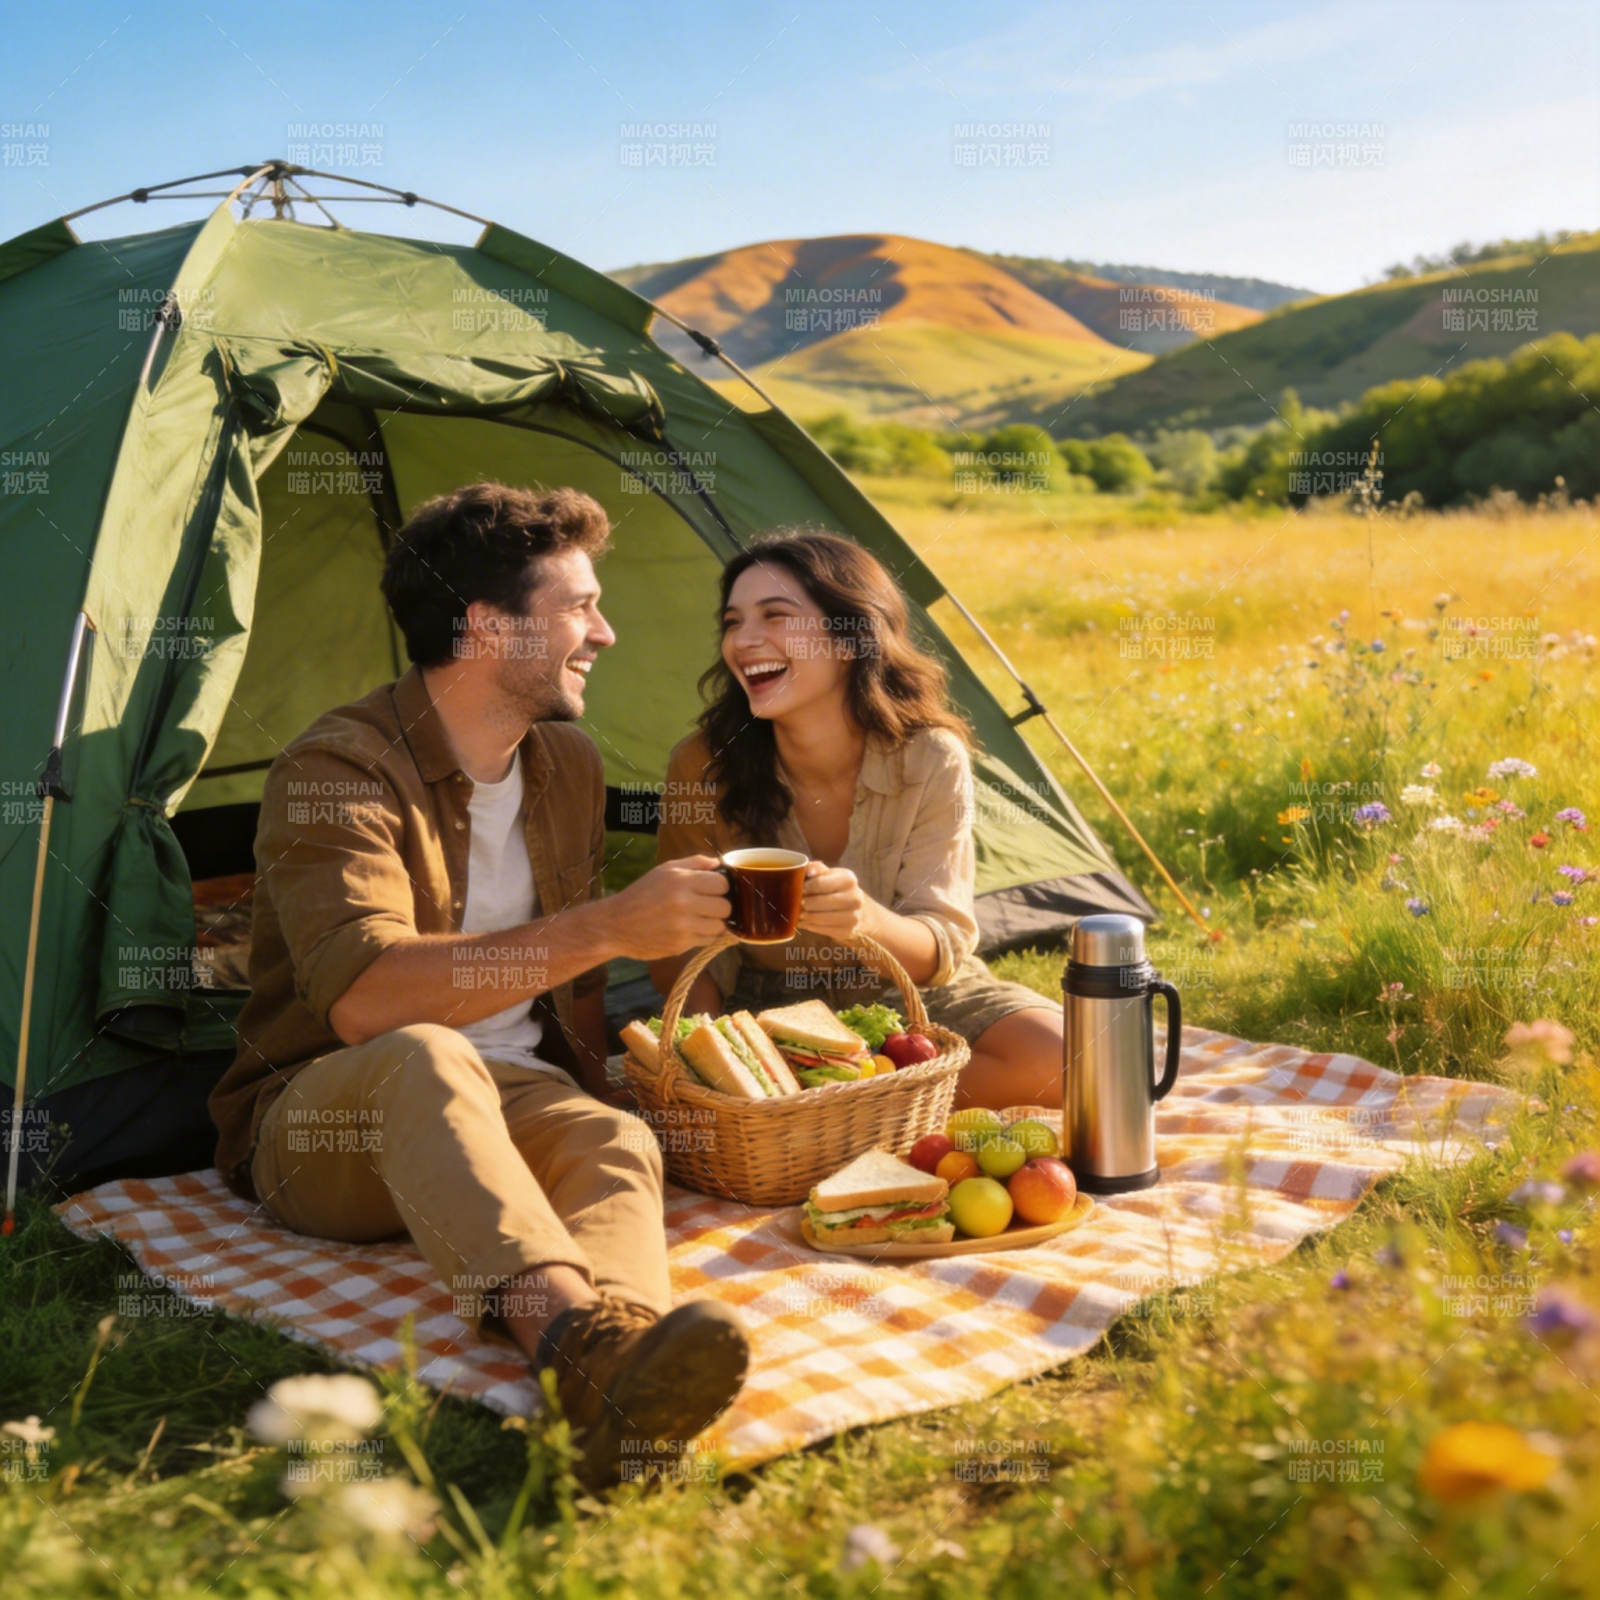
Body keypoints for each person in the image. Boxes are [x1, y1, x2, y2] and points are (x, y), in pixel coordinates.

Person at [208, 483, 748, 1492]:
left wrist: (600, 1079)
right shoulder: (337, 768)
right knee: (425, 1051)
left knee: (609, 1135)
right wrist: (612, 925)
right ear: (487, 626)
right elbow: (366, 1003)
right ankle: (575, 1347)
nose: (606, 632)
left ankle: (623, 1368)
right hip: (330, 1119)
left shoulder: (567, 762)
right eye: (579, 607)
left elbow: (574, 982)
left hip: (508, 1094)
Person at [650, 531, 1063, 1110]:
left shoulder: (929, 756)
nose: (744, 641)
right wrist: (716, 1058)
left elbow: (937, 951)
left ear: (849, 639)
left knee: (1064, 1058)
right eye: (732, 621)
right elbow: (675, 944)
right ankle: (865, 1108)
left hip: (909, 991)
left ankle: (835, 1114)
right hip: (770, 999)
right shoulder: (702, 763)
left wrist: (864, 919)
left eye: (775, 615)